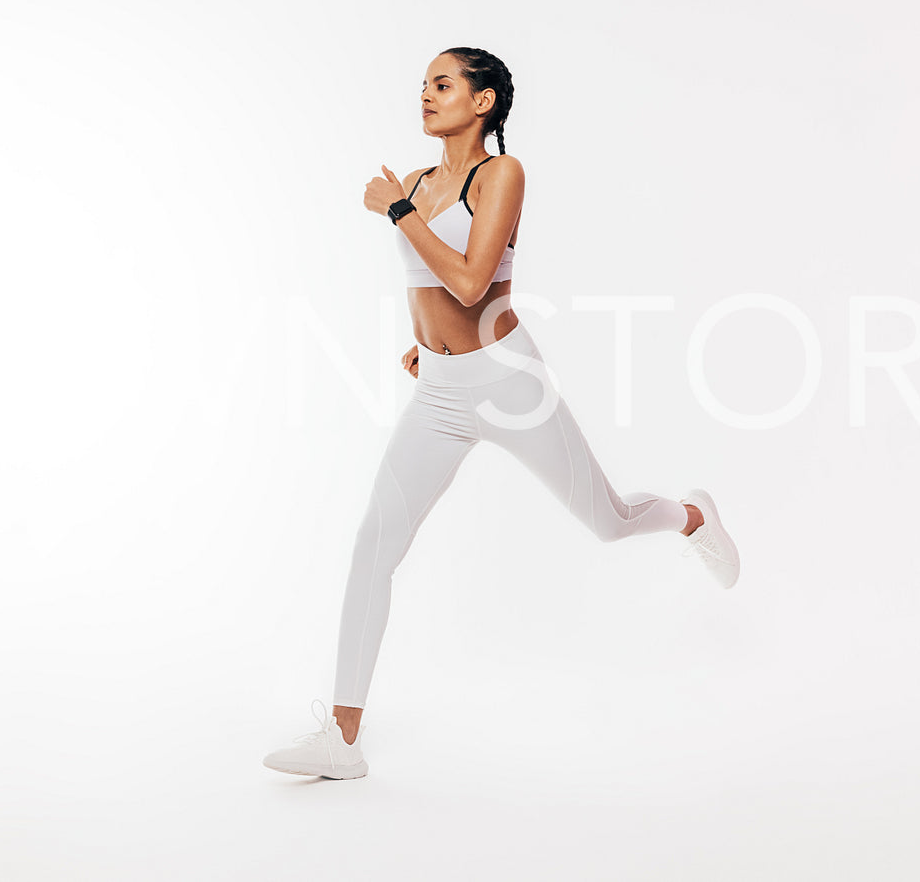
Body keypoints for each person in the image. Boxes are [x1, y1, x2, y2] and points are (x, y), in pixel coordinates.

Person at [262, 47, 739, 780]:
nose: (425, 94)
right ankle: (342, 738)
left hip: (508, 381)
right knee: (374, 543)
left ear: (481, 103)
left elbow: (471, 276)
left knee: (607, 522)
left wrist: (395, 210)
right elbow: (429, 288)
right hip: (441, 391)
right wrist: (427, 346)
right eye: (422, 84)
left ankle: (691, 517)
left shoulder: (499, 175)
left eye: (442, 84)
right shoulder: (420, 180)